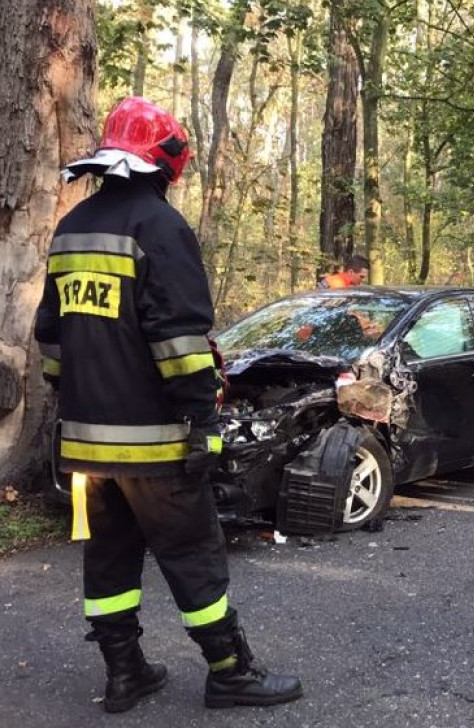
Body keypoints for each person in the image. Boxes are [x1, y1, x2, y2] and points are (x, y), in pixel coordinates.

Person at [34, 97, 302, 712]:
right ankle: (229, 671)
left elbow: (51, 336)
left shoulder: (72, 228)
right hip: (155, 442)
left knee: (108, 558)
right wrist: (204, 422)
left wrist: (71, 395)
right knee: (191, 554)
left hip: (85, 446)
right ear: (165, 163)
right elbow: (179, 342)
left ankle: (124, 673)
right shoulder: (160, 228)